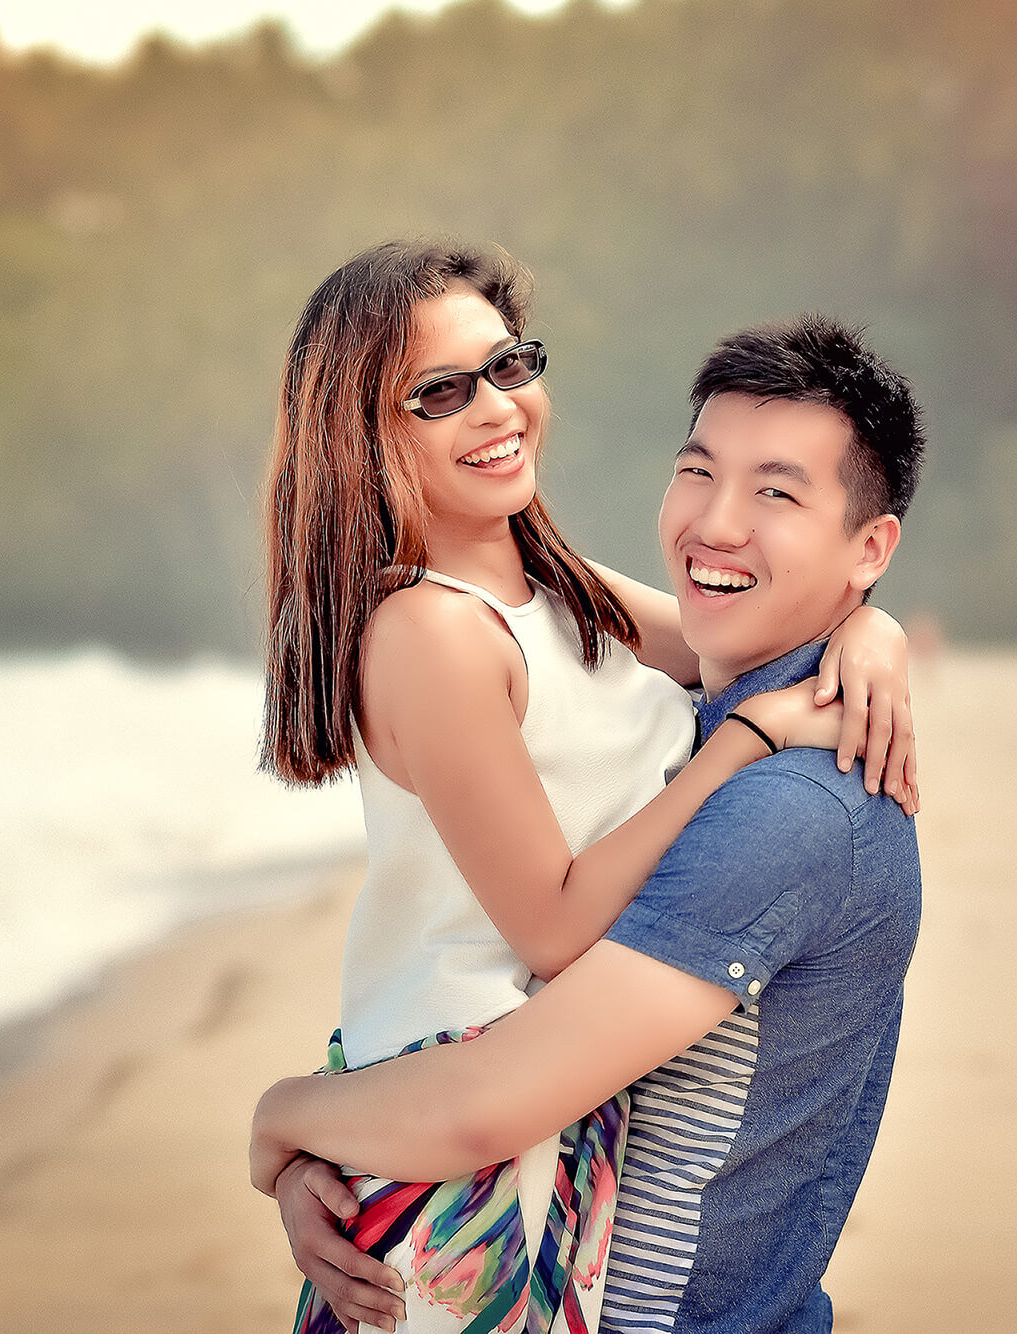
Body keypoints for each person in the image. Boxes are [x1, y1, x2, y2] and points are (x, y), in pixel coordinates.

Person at [257, 243, 921, 1334]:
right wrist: (288, 1123)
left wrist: (875, 627)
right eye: (440, 392)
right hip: (453, 1114)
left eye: (507, 364)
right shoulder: (429, 628)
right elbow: (556, 925)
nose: (496, 407)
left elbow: (728, 639)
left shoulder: (552, 586)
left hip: (536, 1107)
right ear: (363, 432)